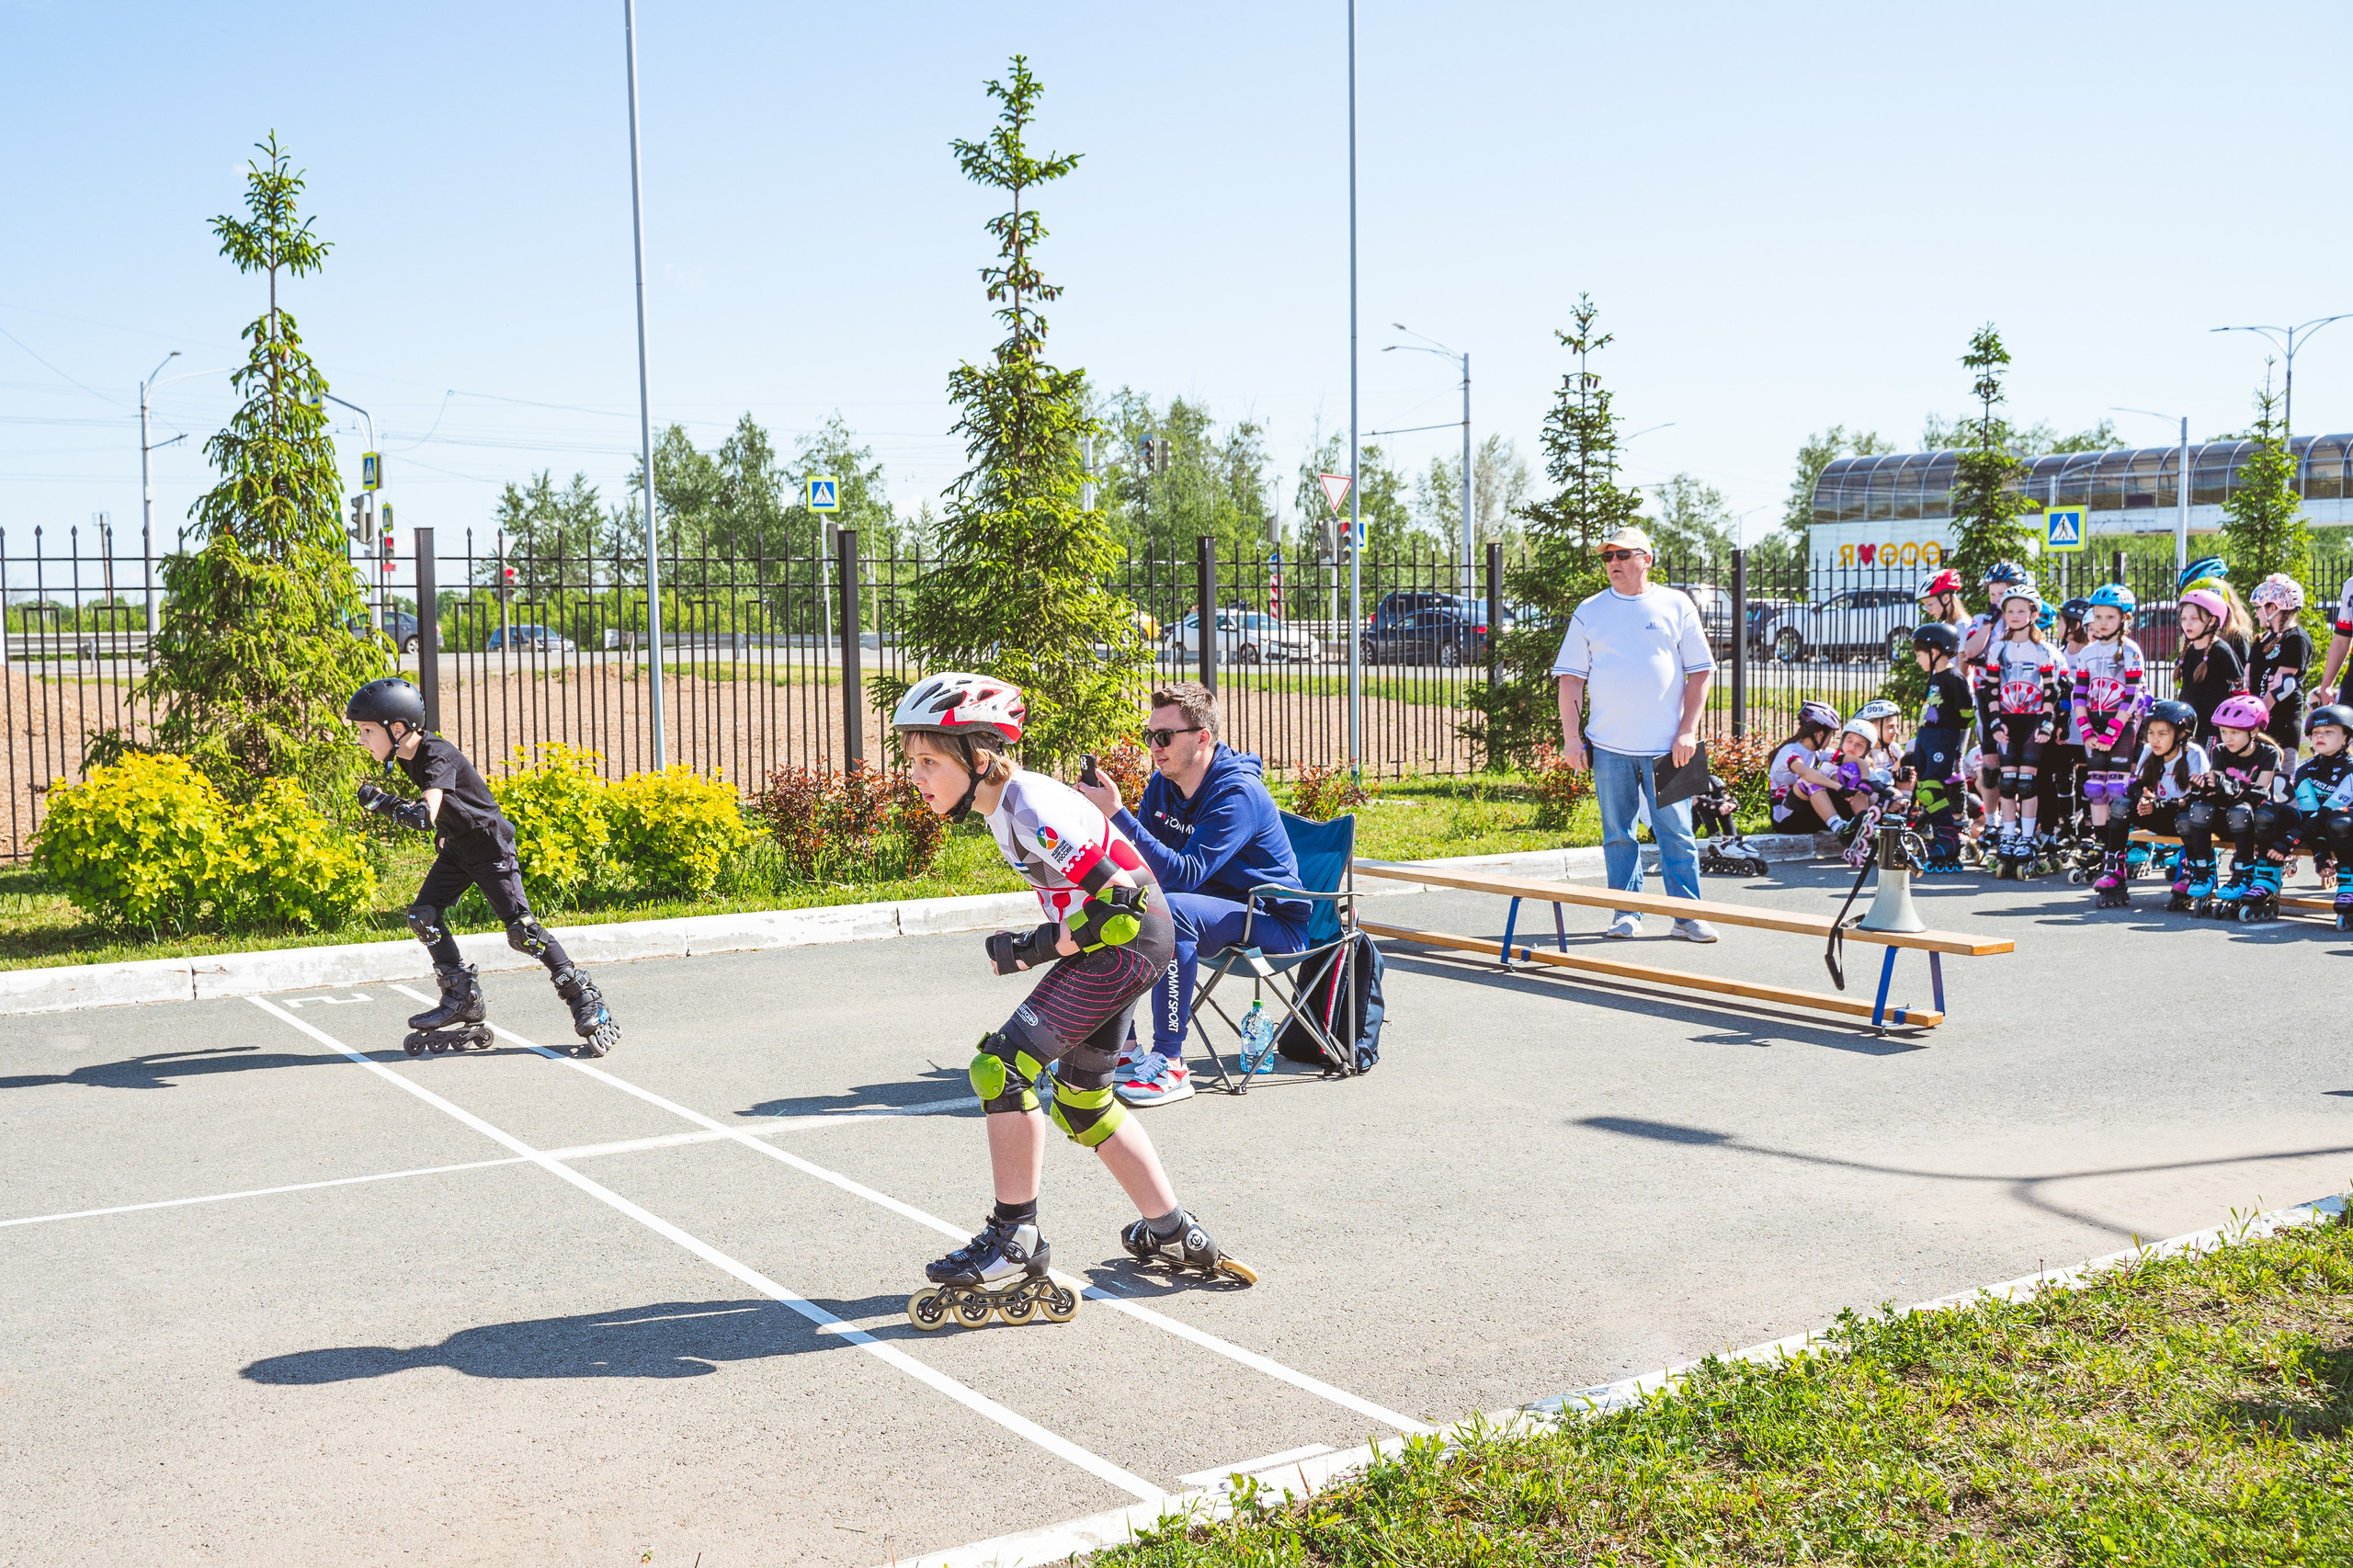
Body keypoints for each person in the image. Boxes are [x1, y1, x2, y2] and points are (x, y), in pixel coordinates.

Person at [890, 672, 1251, 1330]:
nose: (915, 776)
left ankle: (1015, 1239)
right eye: (912, 761)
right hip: (1122, 944)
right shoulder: (1007, 804)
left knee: (1001, 1067)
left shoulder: (1029, 804)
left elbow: (1121, 902)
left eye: (928, 762)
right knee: (1083, 1104)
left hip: (1126, 940)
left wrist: (1033, 947)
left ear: (978, 756)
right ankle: (1171, 1229)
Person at [346, 677, 621, 1057]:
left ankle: (586, 998)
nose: (362, 739)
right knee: (423, 916)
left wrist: (384, 803)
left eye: (366, 731)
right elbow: (451, 806)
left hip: (490, 849)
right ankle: (461, 998)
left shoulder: (435, 752)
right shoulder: (407, 756)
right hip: (460, 848)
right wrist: (445, 831)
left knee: (522, 931)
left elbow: (425, 812)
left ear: (398, 729)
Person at [1071, 682, 1306, 1110]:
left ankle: (1172, 1062)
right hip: (1213, 907)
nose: (1154, 748)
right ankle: (1121, 1047)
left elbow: (1185, 874)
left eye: (1164, 737)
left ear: (1202, 737)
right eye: (1150, 736)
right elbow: (1140, 862)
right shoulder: (1164, 785)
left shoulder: (1237, 794)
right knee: (1112, 903)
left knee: (1172, 912)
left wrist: (1117, 813)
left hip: (1271, 920)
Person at [1552, 526, 1718, 942]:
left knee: (1678, 833)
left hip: (1672, 746)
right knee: (1618, 834)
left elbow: (1701, 671)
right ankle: (1627, 913)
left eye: (1623, 555)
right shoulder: (1590, 610)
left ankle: (1686, 915)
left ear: (1647, 559)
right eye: (1607, 557)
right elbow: (1570, 679)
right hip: (1609, 746)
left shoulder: (1676, 605)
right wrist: (1573, 739)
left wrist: (1688, 731)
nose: (1614, 563)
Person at [1973, 584, 2062, 880]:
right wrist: (1995, 723)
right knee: (2007, 781)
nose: (2014, 615)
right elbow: (1991, 691)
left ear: (2033, 614)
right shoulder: (1998, 648)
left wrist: (2048, 722)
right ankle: (2008, 837)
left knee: (2028, 782)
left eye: (2021, 610)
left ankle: (2026, 837)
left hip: (2034, 719)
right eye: (2010, 610)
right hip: (2008, 719)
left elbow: (2051, 691)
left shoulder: (2042, 649)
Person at [2075, 585, 2146, 903]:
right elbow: (2078, 694)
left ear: (2124, 619)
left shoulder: (2130, 650)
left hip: (2122, 725)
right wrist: (2086, 730)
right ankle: (2105, 848)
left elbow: (2131, 694)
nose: (2102, 622)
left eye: (2110, 617)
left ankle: (2122, 848)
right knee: (2094, 788)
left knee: (2117, 789)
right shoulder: (2086, 653)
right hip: (2093, 723)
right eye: (2098, 616)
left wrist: (2113, 731)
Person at [2108, 698, 2211, 912]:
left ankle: (2193, 869)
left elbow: (2197, 798)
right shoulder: (2149, 751)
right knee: (2120, 805)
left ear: (2182, 734)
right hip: (2159, 815)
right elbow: (2135, 786)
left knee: (2187, 817)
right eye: (2151, 733)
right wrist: (2142, 798)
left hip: (2185, 818)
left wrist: (2158, 805)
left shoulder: (2193, 754)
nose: (2154, 740)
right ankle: (2114, 869)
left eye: (2162, 734)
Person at [2194, 692, 2290, 920]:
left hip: (2256, 821)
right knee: (2198, 808)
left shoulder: (2268, 753)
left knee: (2240, 810)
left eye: (2235, 732)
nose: (2227, 738)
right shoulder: (2219, 751)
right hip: (2230, 818)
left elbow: (2260, 793)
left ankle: (2244, 872)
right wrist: (2204, 785)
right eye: (2224, 731)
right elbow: (2217, 789)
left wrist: (2231, 787)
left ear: (2254, 731)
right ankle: (2202, 871)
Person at [1904, 622, 1971, 874]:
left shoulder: (1954, 678)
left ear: (1936, 651)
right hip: (1927, 737)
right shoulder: (1934, 676)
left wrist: (1956, 748)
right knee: (1922, 789)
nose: (1918, 659)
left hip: (1944, 738)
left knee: (1931, 790)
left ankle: (1949, 838)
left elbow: (1967, 716)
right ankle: (1939, 834)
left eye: (1920, 654)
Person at [2290, 705, 2353, 928]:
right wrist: (2321, 855)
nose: (2320, 736)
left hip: (2345, 826)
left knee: (2340, 821)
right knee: (2272, 816)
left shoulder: (2351, 768)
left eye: (2328, 732)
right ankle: (2264, 880)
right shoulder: (2304, 770)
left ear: (2347, 736)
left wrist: (2291, 839)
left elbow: (2328, 812)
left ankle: (2348, 882)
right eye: (2316, 733)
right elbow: (2312, 817)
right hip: (2327, 827)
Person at [2248, 574, 2311, 761]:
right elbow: (2248, 679)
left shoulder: (2296, 639)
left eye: (2259, 608)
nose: (2256, 613)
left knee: (2281, 780)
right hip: (2255, 719)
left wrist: (2256, 720)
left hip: (2281, 721)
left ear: (2273, 608)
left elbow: (2282, 687)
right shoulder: (2262, 640)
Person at [2175, 586, 2245, 744]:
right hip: (2190, 726)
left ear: (2212, 620)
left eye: (2194, 618)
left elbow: (2239, 691)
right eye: (2184, 619)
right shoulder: (2189, 650)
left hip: (2215, 729)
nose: (2187, 624)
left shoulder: (2221, 650)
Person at [1765, 701, 1842, 835]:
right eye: (1831, 735)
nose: (1832, 739)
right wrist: (1837, 787)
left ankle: (1863, 822)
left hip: (1805, 812)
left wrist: (1862, 779)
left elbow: (1850, 759)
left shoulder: (1816, 751)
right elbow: (1803, 771)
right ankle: (1839, 828)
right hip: (1785, 818)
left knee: (1846, 770)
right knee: (1809, 780)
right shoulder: (1790, 751)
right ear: (1820, 735)